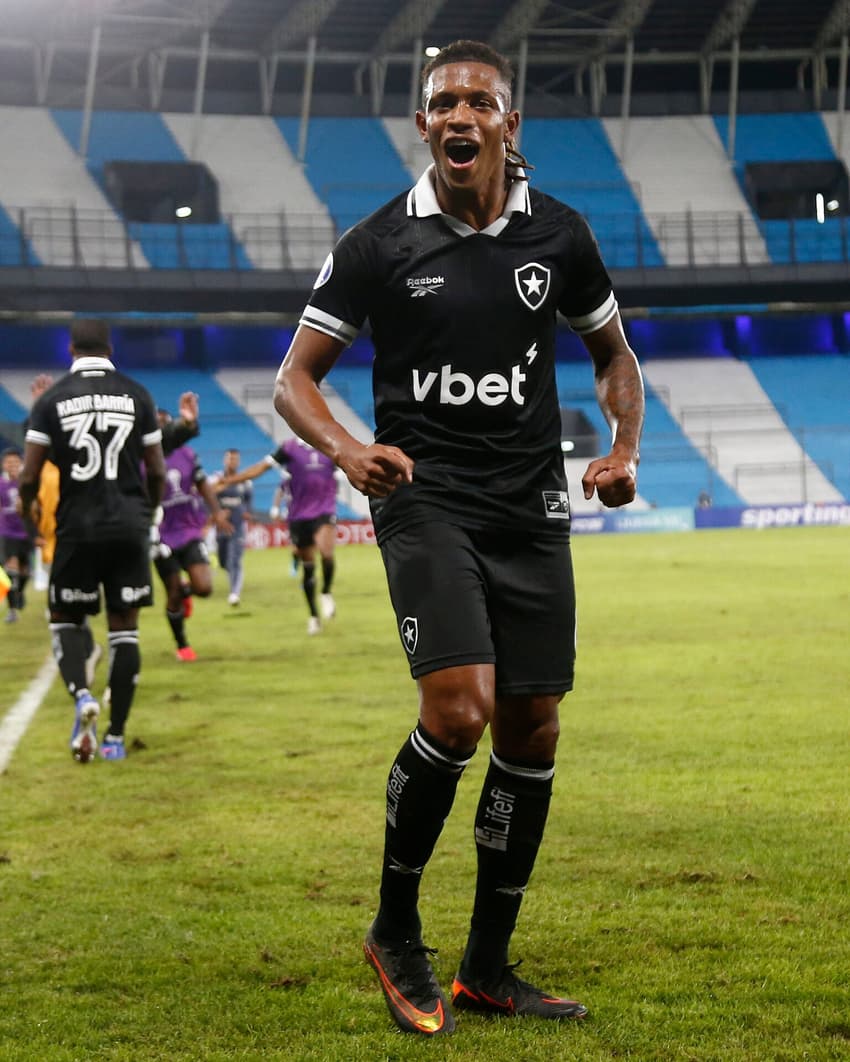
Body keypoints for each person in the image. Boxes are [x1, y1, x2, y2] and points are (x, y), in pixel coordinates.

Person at [272, 40, 645, 1036]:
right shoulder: (379, 243)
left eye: (479, 100)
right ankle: (395, 929)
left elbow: (612, 352)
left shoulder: (559, 235)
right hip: (423, 496)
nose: (459, 116)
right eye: (443, 102)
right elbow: (292, 379)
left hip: (529, 505)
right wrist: (351, 451)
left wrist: (619, 444)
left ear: (507, 123)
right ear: (424, 125)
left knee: (532, 727)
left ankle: (487, 965)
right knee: (461, 709)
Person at [19, 319, 166, 763]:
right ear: (110, 346)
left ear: (70, 349)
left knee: (65, 620)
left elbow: (27, 476)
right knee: (125, 631)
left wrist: (31, 518)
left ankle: (83, 695)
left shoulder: (51, 399)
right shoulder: (137, 393)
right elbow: (156, 470)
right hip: (127, 527)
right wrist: (149, 513)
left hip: (76, 529)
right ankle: (116, 737)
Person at [222, 439, 339, 634]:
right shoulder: (289, 448)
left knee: (327, 552)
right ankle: (313, 615)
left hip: (324, 510)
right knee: (308, 567)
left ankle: (326, 591)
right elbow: (262, 467)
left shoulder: (329, 444)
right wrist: (232, 480)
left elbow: (351, 466)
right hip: (299, 516)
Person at [154, 415, 232, 661]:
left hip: (189, 530)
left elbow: (202, 484)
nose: (165, 426)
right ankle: (182, 645)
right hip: (161, 536)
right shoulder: (142, 459)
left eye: (166, 421)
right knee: (172, 592)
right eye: (159, 422)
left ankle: (187, 592)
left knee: (204, 587)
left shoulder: (188, 454)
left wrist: (217, 512)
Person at [209, 448, 253, 606]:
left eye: (235, 459)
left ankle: (234, 593)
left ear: (239, 462)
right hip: (221, 528)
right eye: (229, 459)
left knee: (235, 560)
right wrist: (218, 513)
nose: (232, 462)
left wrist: (246, 512)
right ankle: (234, 577)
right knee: (224, 561)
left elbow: (248, 501)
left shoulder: (245, 482)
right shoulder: (216, 479)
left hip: (238, 527)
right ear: (224, 460)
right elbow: (208, 497)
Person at [0, 448, 34, 623]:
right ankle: (12, 610)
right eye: (8, 462)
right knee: (10, 568)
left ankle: (19, 592)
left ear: (21, 464)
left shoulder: (26, 482)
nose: (12, 465)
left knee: (25, 571)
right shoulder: (1, 483)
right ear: (3, 464)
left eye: (15, 462)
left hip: (25, 532)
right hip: (7, 532)